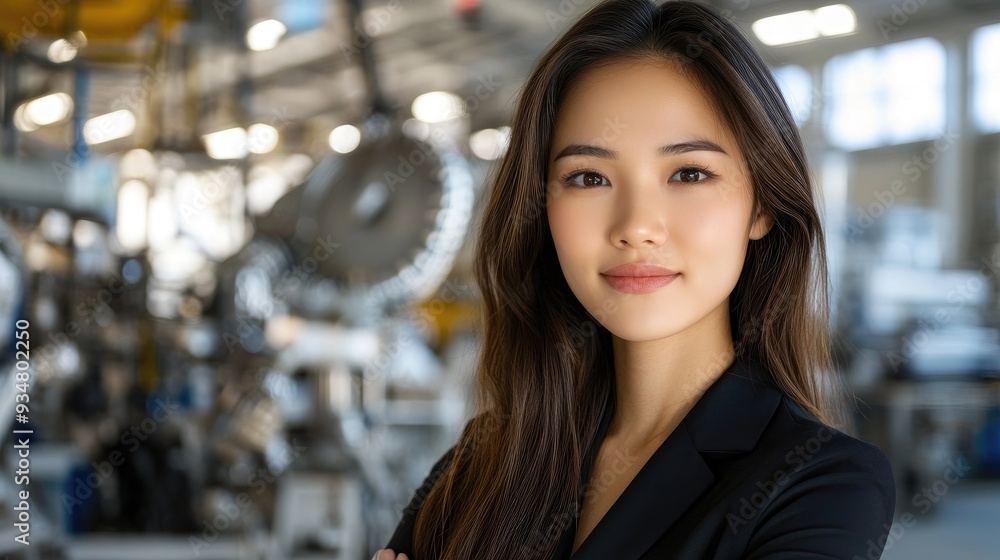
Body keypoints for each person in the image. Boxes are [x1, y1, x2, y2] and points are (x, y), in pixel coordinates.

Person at [375, 0, 896, 558]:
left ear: (761, 206)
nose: (637, 227)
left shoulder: (820, 485)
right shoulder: (477, 464)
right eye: (589, 177)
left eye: (689, 173)